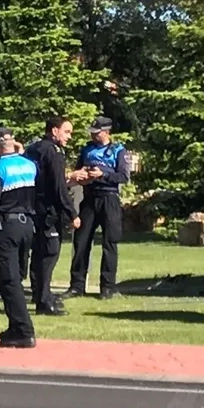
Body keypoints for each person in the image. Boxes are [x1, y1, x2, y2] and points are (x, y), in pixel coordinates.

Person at [0, 127, 38, 348]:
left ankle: (23, 330)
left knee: (8, 280)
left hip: (7, 227)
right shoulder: (29, 165)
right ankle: (15, 326)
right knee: (18, 277)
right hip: (27, 225)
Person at [63, 116, 130, 300]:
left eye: (97, 133)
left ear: (106, 132)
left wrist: (103, 175)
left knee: (110, 243)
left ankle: (107, 287)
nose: (93, 136)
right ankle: (77, 286)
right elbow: (77, 171)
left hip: (109, 199)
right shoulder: (87, 149)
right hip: (90, 198)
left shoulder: (118, 150)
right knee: (81, 242)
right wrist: (82, 175)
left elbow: (123, 176)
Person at [24, 116, 81, 316]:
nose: (69, 137)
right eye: (67, 132)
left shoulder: (32, 149)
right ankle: (44, 302)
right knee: (49, 254)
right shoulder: (54, 152)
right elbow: (58, 187)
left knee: (39, 254)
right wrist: (72, 213)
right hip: (48, 211)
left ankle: (41, 293)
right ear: (54, 131)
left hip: (32, 209)